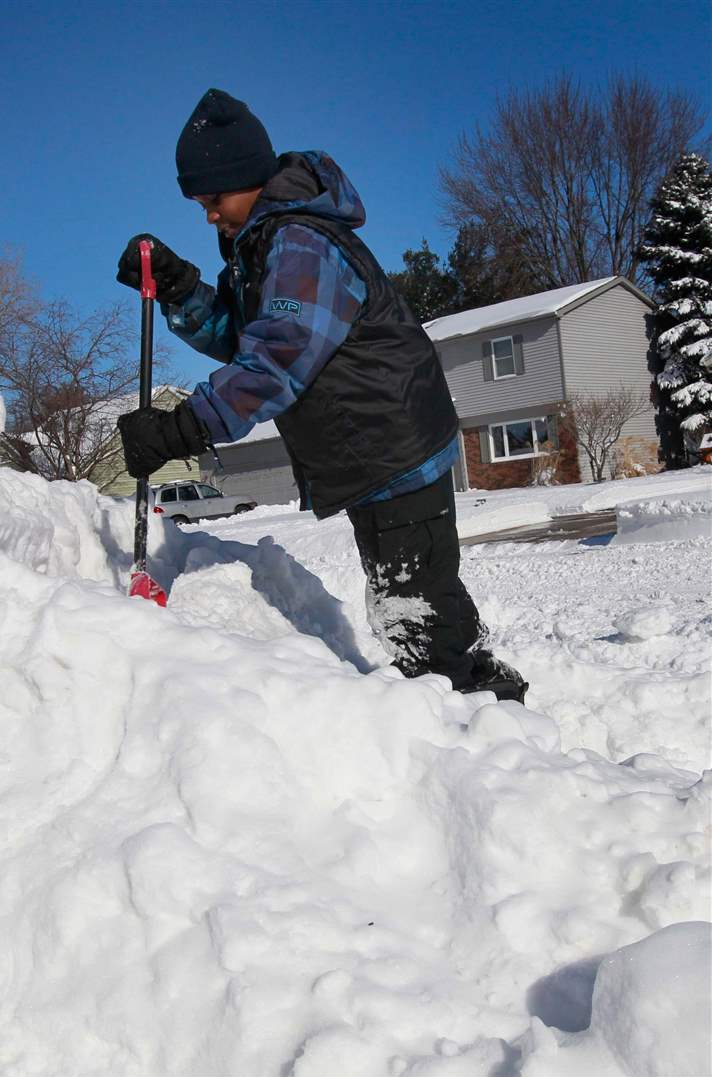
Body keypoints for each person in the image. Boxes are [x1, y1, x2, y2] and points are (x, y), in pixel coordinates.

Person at [115, 88, 527, 702]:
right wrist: (183, 291)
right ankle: (468, 712)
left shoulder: (300, 244)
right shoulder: (268, 247)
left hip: (393, 451)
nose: (207, 215)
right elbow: (245, 337)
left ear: (248, 178)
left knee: (417, 617)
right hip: (378, 455)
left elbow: (275, 360)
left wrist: (181, 430)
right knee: (414, 606)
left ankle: (491, 736)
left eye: (213, 199)